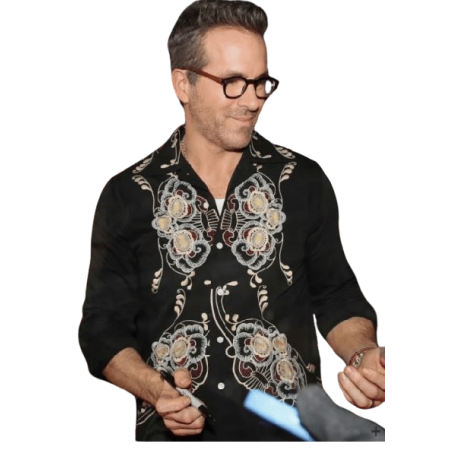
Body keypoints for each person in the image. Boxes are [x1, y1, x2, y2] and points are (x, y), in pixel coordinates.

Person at [77, 0, 385, 442]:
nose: (253, 100)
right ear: (182, 84)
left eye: (261, 83)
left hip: (291, 430)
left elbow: (335, 295)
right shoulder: (128, 193)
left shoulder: (302, 179)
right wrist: (156, 391)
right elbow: (102, 328)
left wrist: (363, 356)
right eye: (233, 83)